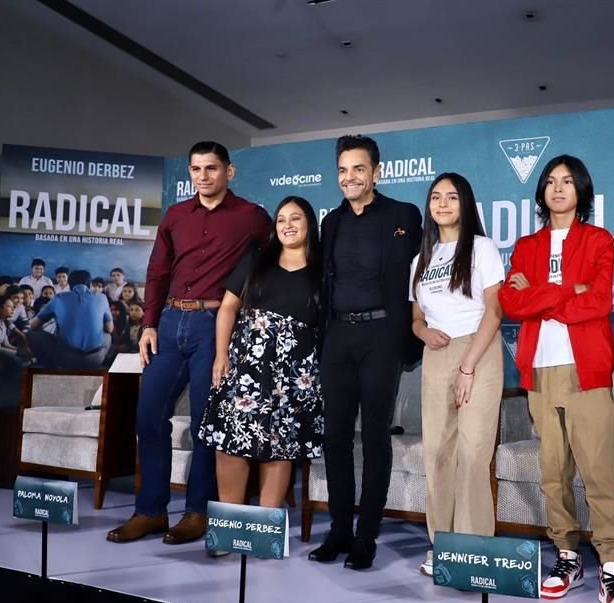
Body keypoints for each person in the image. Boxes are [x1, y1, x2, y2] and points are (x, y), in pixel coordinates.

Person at [107, 141, 272, 545]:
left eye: (212, 168)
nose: (203, 176)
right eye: (196, 169)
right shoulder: (176, 216)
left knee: (205, 423)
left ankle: (197, 512)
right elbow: (158, 271)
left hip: (215, 325)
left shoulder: (253, 218)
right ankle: (150, 512)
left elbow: (272, 267)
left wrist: (247, 315)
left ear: (229, 172)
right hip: (169, 323)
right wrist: (148, 324)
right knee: (148, 417)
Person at [498, 155, 614, 603]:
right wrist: (564, 290)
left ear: (582, 190)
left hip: (586, 368)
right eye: (551, 181)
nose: (558, 188)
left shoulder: (598, 240)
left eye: (567, 181)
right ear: (542, 193)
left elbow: (598, 302)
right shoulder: (526, 244)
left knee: (597, 470)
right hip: (539, 370)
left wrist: (541, 292)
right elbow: (511, 301)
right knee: (553, 471)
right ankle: (568, 556)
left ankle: (613, 565)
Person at [308, 135, 422, 570]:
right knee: (334, 437)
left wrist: (411, 332)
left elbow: (423, 275)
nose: (349, 177)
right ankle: (338, 530)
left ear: (377, 172)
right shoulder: (331, 222)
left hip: (382, 336)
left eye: (358, 169)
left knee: (374, 437)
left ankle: (366, 536)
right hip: (338, 337)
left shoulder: (403, 215)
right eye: (342, 170)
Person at [198, 196, 324, 520]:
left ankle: (263, 529)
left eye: (295, 218)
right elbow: (227, 307)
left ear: (309, 224)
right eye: (281, 219)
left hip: (294, 376)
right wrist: (221, 354)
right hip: (244, 366)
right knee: (229, 444)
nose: (287, 225)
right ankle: (229, 525)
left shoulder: (323, 271)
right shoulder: (256, 259)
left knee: (279, 449)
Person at [409, 173, 503, 577]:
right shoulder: (421, 258)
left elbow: (495, 311)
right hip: (436, 354)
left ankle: (472, 548)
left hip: (477, 350)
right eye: (435, 197)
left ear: (466, 203)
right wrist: (423, 331)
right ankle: (442, 545)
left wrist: (468, 366)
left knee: (473, 451)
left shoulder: (482, 249)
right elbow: (415, 317)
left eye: (451, 197)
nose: (442, 203)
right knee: (438, 454)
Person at [28, 270, 112, 368]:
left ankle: (48, 366)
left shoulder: (59, 298)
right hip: (95, 360)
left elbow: (33, 325)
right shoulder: (102, 298)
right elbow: (110, 328)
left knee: (31, 333)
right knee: (108, 335)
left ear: (69, 284)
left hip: (67, 359)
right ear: (89, 284)